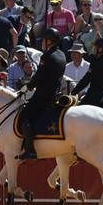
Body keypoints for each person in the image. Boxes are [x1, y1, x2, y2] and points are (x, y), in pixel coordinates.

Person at [16, 27, 66, 161]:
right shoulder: (62, 55)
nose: (42, 42)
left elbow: (39, 76)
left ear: (49, 41)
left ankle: (30, 150)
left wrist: (27, 87)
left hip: (43, 96)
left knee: (24, 116)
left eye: (44, 40)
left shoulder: (47, 56)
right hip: (55, 94)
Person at [71, 37, 103, 107]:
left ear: (100, 49)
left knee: (78, 109)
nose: (95, 49)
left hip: (94, 95)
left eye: (96, 47)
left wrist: (74, 92)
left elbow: (86, 79)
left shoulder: (96, 62)